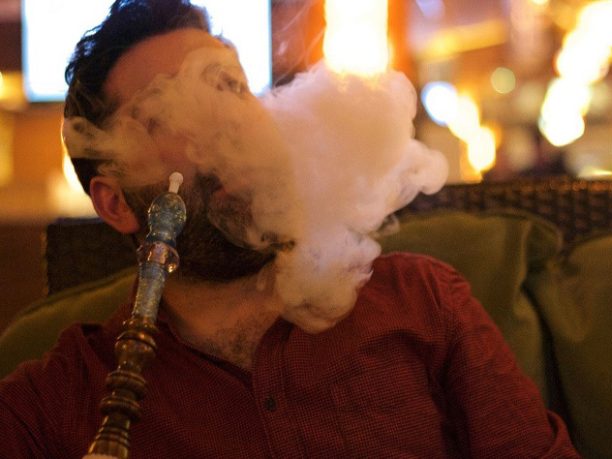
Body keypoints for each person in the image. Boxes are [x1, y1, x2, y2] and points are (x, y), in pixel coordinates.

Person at [0, 1, 580, 457]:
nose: (225, 124)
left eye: (229, 87)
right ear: (115, 203)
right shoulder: (64, 398)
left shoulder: (423, 302)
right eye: (164, 111)